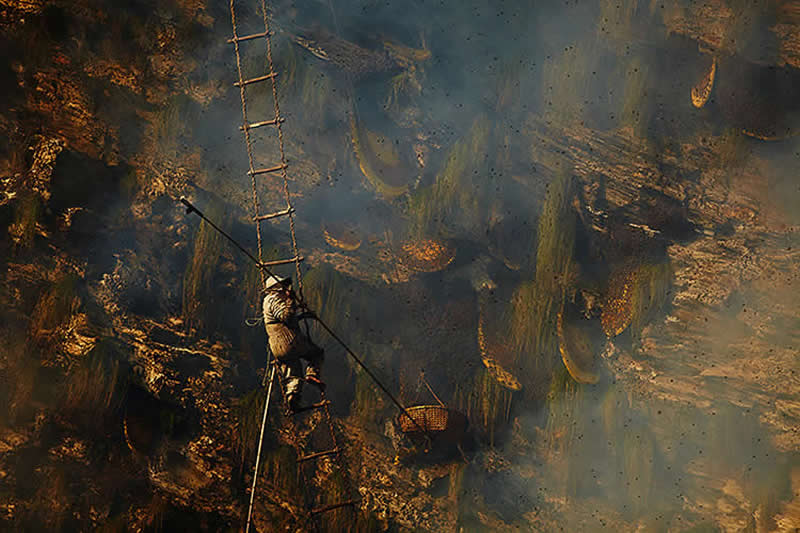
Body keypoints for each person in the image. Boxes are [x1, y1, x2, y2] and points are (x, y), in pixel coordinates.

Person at [262, 274, 325, 412]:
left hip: (278, 348)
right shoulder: (274, 299)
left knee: (293, 371)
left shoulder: (267, 302)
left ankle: (293, 399)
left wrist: (302, 315)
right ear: (277, 288)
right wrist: (291, 300)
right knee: (316, 353)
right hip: (290, 341)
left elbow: (282, 319)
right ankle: (312, 374)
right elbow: (287, 316)